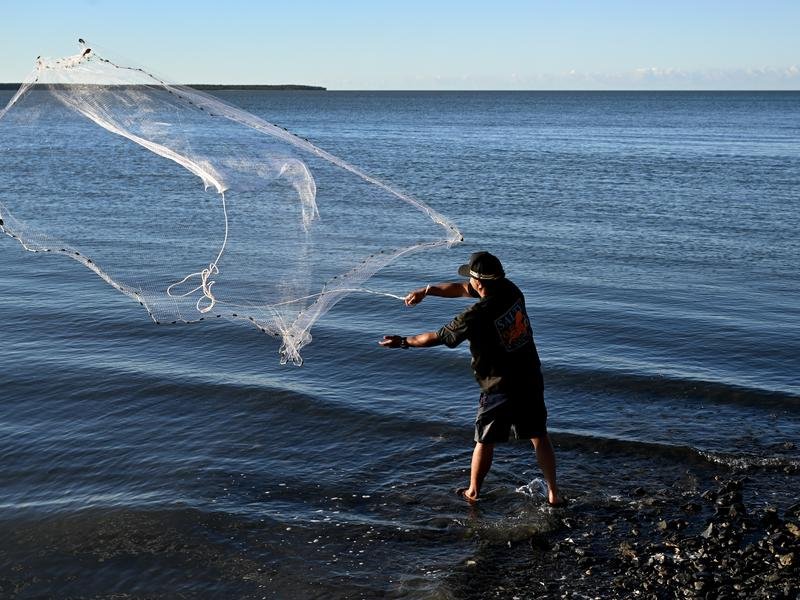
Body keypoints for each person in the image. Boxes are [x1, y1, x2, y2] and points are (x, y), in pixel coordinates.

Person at [380, 251, 564, 506]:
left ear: (479, 283)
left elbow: (437, 337)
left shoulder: (474, 316)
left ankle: (473, 492)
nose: (470, 285)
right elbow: (460, 288)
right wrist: (428, 290)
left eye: (472, 280)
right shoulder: (511, 290)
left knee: (484, 440)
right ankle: (554, 493)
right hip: (530, 375)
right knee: (539, 435)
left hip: (498, 385)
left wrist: (403, 342)